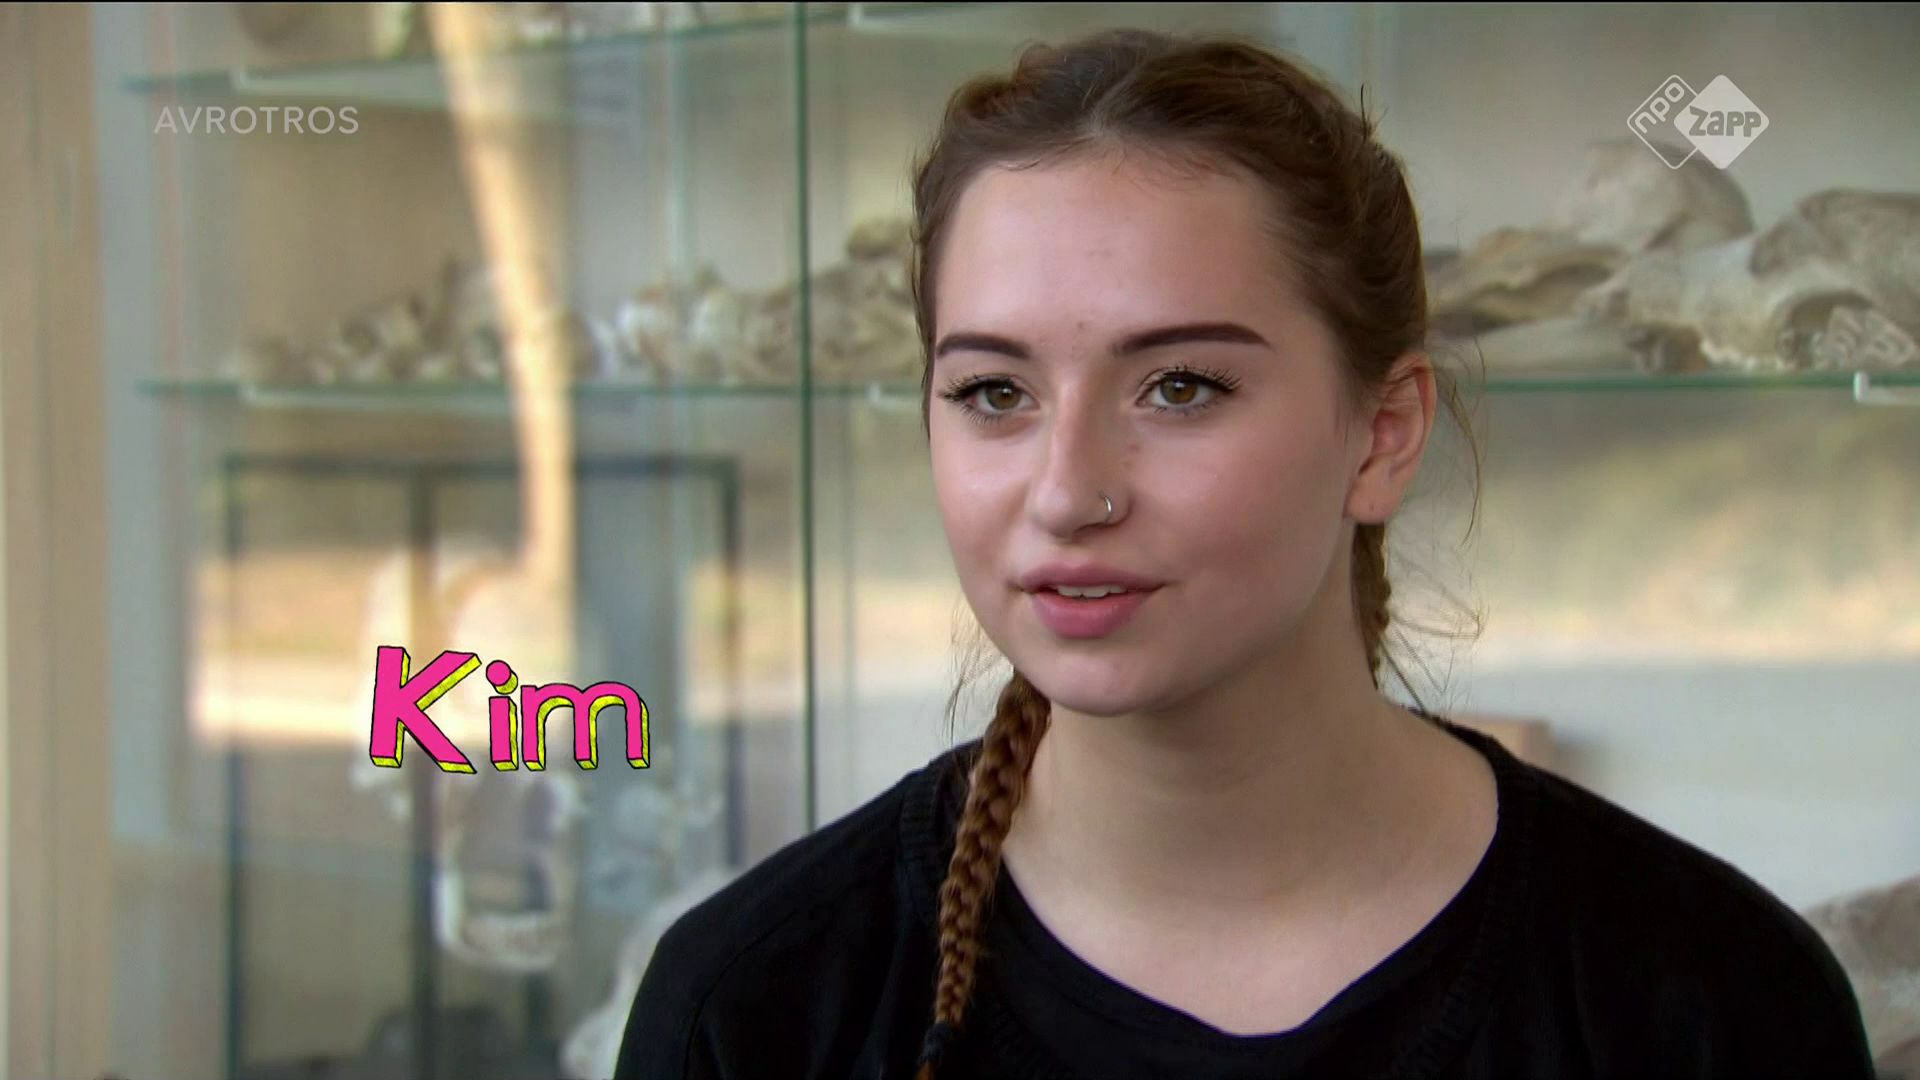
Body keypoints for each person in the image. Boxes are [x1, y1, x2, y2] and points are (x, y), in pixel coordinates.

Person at [612, 27, 1876, 1080]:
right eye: (995, 393)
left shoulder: (1708, 1001)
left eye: (1181, 386)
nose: (1067, 491)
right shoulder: (757, 1007)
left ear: (1383, 434)